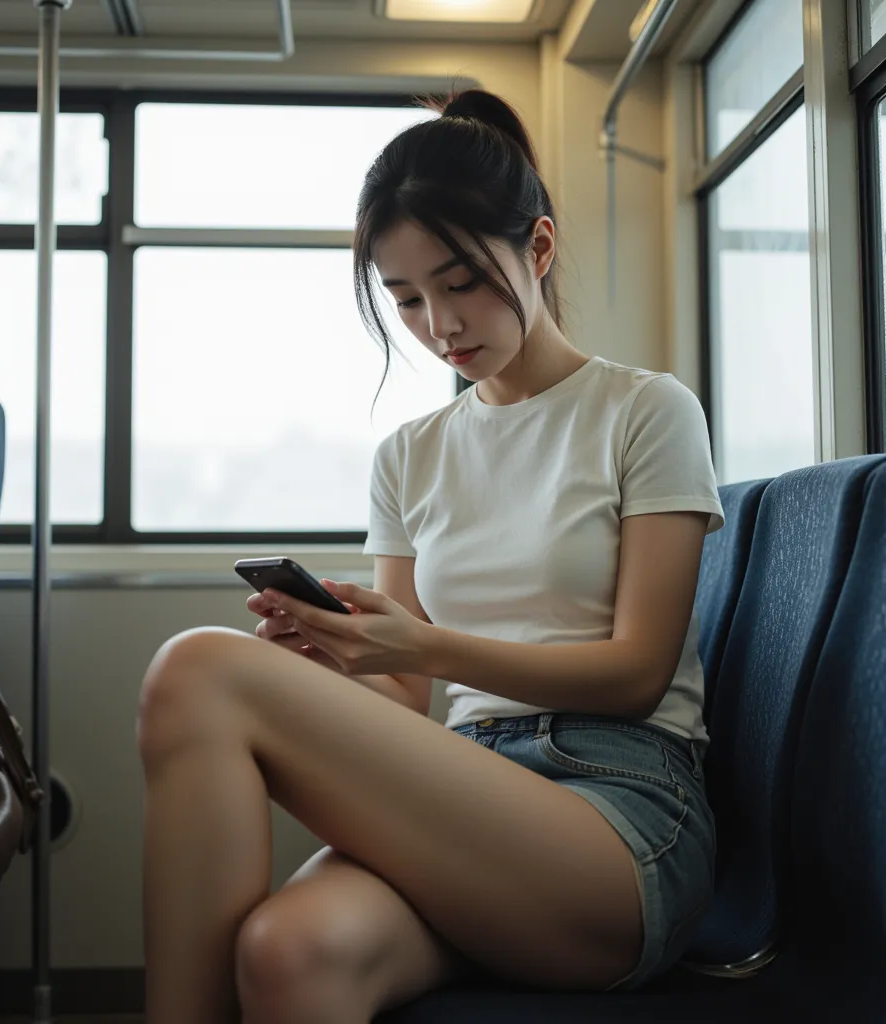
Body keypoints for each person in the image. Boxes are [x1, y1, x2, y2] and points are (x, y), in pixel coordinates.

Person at [136, 87, 725, 1024]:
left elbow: (638, 675)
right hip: (470, 787)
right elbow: (408, 704)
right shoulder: (408, 454)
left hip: (620, 808)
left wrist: (423, 647)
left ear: (537, 247)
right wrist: (338, 656)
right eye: (405, 299)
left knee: (196, 670)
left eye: (460, 284)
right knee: (287, 952)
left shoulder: (645, 411)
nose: (439, 328)